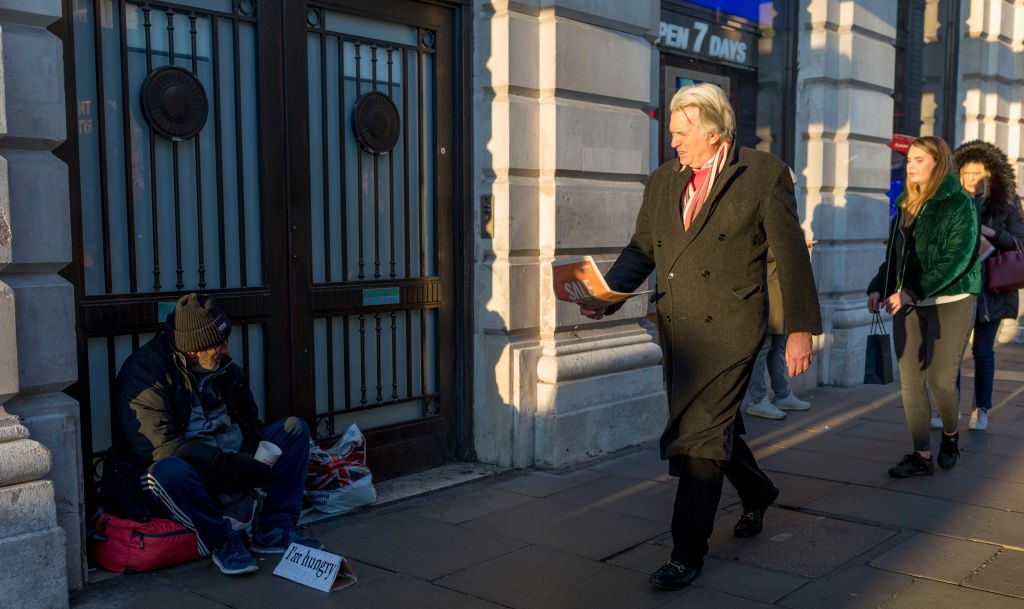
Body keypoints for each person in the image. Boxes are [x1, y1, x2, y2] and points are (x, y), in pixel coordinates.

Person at [579, 83, 821, 590]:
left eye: (682, 133)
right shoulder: (664, 179)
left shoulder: (761, 174)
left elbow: (791, 256)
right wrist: (607, 296)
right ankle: (757, 493)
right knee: (712, 428)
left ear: (715, 133)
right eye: (671, 132)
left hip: (731, 329)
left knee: (700, 439)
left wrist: (800, 330)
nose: (673, 142)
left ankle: (686, 552)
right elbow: (642, 249)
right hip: (679, 329)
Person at [104, 293, 322, 575]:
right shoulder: (144, 373)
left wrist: (254, 461)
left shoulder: (227, 370)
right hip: (186, 468)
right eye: (218, 344)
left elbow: (251, 424)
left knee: (294, 430)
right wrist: (232, 466)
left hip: (227, 460)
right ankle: (222, 541)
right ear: (193, 350)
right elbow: (162, 447)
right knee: (167, 471)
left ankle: (274, 529)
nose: (226, 350)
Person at [867, 136, 981, 478]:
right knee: (910, 382)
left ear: (939, 162)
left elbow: (956, 260)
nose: (910, 165)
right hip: (909, 302)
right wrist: (880, 287)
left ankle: (949, 434)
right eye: (909, 159)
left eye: (919, 159)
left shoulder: (959, 203)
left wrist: (911, 291)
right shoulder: (906, 203)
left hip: (952, 300)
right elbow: (894, 258)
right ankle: (921, 454)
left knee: (942, 381)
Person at [952, 140, 1024, 432]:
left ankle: (980, 409)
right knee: (953, 353)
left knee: (982, 350)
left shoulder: (1007, 203)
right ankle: (949, 406)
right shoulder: (950, 201)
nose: (971, 179)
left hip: (992, 289)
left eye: (977, 173)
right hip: (956, 286)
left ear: (989, 174)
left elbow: (1019, 242)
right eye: (966, 173)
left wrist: (988, 230)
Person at [744, 245, 814, 419]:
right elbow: (757, 251)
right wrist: (792, 248)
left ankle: (783, 394)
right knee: (762, 350)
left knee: (779, 349)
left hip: (781, 296)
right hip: (766, 294)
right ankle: (757, 400)